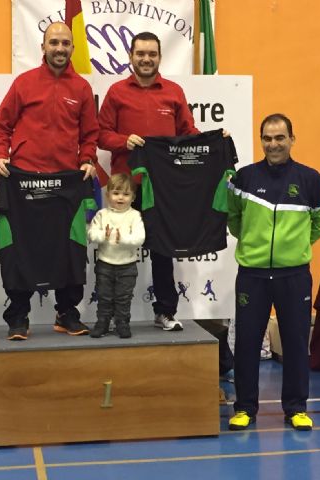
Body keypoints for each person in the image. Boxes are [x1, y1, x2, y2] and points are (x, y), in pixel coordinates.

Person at [0, 21, 98, 340]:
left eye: (65, 43)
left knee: (70, 249)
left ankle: (67, 313)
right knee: (21, 249)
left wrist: (87, 159)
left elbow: (89, 134)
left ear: (72, 49)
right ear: (43, 47)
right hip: (24, 182)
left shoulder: (81, 88)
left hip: (65, 183)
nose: (60, 49)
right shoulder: (24, 84)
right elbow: (1, 125)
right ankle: (18, 315)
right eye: (54, 43)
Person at [227, 114, 320, 431]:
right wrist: (253, 244)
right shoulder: (243, 178)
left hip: (294, 275)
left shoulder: (311, 179)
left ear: (292, 139)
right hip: (253, 275)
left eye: (280, 138)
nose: (274, 144)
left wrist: (294, 247)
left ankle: (296, 408)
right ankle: (245, 408)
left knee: (297, 342)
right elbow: (233, 218)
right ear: (261, 141)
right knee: (246, 343)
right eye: (268, 138)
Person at [98, 31, 200, 332]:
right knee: (116, 252)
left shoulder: (173, 92)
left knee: (163, 252)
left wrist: (214, 140)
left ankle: (165, 312)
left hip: (162, 188)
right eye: (140, 53)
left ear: (159, 57)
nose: (146, 59)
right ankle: (114, 314)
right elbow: (101, 135)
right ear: (130, 57)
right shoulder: (116, 92)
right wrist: (122, 140)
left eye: (151, 54)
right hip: (124, 189)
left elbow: (189, 133)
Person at [88, 173, 145, 339]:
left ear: (133, 197)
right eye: (116, 193)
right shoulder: (101, 215)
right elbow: (92, 235)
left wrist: (122, 239)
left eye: (126, 194)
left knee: (123, 298)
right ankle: (102, 323)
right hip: (105, 264)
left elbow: (139, 238)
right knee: (104, 296)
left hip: (127, 266)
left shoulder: (135, 216)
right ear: (108, 195)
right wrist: (104, 236)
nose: (121, 198)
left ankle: (122, 323)